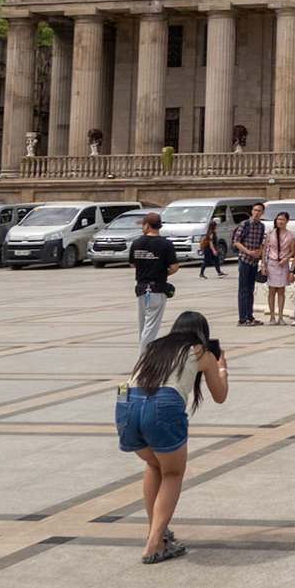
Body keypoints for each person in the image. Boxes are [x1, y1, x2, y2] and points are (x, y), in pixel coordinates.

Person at [117, 310, 228, 564]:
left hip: (125, 403)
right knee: (172, 473)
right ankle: (154, 544)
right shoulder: (201, 352)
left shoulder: (154, 347)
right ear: (202, 333)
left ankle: (155, 532)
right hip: (162, 404)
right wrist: (222, 368)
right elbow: (220, 396)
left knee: (154, 464)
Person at [129, 212, 180, 346]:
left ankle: (144, 354)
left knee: (143, 325)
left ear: (147, 226)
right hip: (157, 288)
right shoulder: (166, 244)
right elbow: (174, 267)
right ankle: (144, 357)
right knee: (151, 326)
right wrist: (162, 273)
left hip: (141, 288)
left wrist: (145, 268)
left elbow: (132, 263)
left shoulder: (137, 243)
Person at [232, 204, 267, 326]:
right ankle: (242, 318)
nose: (257, 213)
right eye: (255, 210)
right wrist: (249, 252)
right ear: (252, 211)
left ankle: (250, 315)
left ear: (262, 213)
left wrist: (259, 255)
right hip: (245, 260)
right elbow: (236, 242)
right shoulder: (245, 224)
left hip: (254, 261)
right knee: (243, 289)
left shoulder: (261, 226)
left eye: (259, 211)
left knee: (251, 289)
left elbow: (260, 243)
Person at [265, 212, 295, 325]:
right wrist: (263, 264)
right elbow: (265, 249)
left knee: (281, 291)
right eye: (278, 219)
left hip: (283, 264)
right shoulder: (270, 233)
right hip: (272, 263)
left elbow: (292, 251)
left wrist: (286, 258)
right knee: (272, 290)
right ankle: (272, 316)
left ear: (286, 221)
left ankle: (281, 316)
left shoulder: (290, 235)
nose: (280, 222)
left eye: (282, 220)